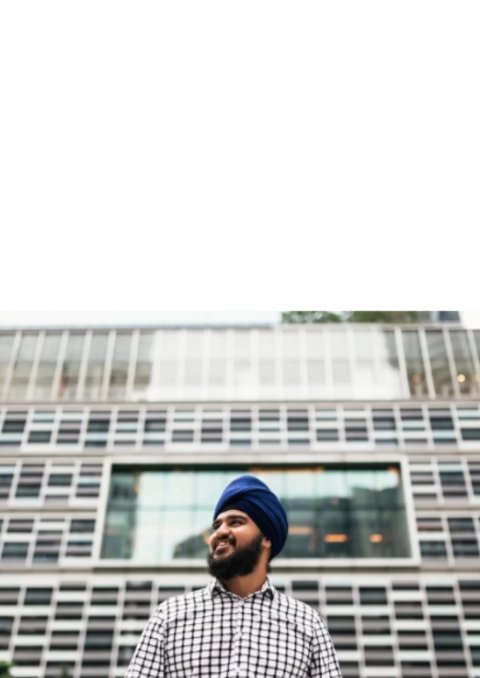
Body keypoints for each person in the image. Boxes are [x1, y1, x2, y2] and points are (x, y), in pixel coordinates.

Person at [125, 475, 343, 677]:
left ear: (267, 538)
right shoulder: (169, 616)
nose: (219, 532)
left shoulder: (307, 623)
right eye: (216, 525)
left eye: (235, 522)